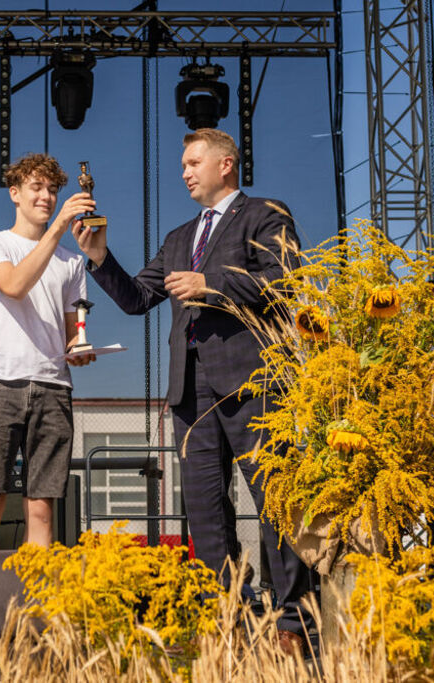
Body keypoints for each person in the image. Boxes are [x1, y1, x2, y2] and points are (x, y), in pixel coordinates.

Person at [73, 128, 312, 654]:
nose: (184, 171)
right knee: (204, 510)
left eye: (192, 162)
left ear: (226, 165)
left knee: (276, 501)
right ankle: (226, 617)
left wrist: (213, 286)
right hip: (190, 389)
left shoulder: (265, 214)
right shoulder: (181, 236)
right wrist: (99, 255)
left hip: (254, 382)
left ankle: (295, 621)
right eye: (182, 164)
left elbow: (285, 279)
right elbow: (138, 299)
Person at [0, 153, 95, 552]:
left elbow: (75, 330)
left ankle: (40, 606)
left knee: (42, 507)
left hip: (53, 386)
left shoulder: (73, 261)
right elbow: (16, 285)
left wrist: (79, 349)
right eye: (37, 188)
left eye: (53, 190)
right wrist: (57, 229)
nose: (47, 196)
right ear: (15, 193)